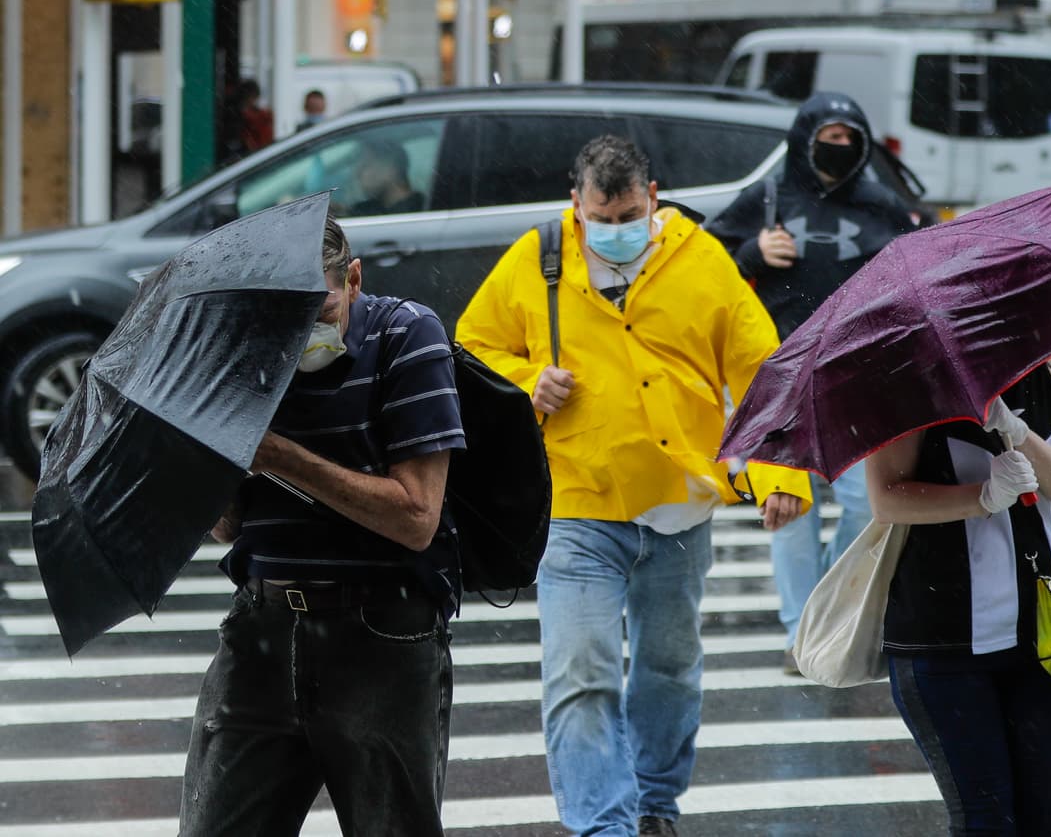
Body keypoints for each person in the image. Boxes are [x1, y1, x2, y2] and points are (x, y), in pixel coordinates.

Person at [456, 134, 811, 837]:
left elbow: (762, 370)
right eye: (600, 217)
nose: (614, 231)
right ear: (575, 203)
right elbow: (473, 346)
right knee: (580, 673)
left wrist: (781, 473)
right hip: (578, 502)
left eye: (627, 216)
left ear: (653, 199)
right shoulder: (538, 257)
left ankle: (654, 803)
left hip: (679, 508)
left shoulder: (701, 261)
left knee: (668, 671)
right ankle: (603, 825)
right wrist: (529, 381)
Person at [179, 216, 465, 837]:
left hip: (381, 634)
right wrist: (205, 459)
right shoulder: (244, 349)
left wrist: (282, 456)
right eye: (286, 314)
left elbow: (417, 517)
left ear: (354, 279)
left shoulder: (407, 337)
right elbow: (228, 528)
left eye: (319, 307)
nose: (299, 330)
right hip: (261, 625)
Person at [706, 91, 917, 674]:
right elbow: (705, 261)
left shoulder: (883, 206)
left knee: (863, 503)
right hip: (782, 378)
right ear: (804, 138)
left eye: (850, 139)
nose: (839, 149)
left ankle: (832, 609)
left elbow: (917, 275)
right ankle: (802, 632)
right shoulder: (768, 196)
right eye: (828, 137)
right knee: (787, 507)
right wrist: (751, 250)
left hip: (860, 376)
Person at [865, 350, 1051, 836]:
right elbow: (887, 497)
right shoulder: (907, 368)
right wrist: (983, 497)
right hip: (942, 637)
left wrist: (1018, 434)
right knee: (986, 822)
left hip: (1042, 634)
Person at [348, 138, 426, 216]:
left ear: (391, 170)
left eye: (365, 166)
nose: (357, 173)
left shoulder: (414, 213)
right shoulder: (377, 207)